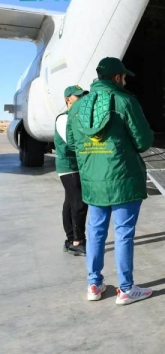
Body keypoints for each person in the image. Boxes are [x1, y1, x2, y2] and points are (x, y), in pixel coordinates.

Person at [67, 57, 154, 305]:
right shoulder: (125, 101)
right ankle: (125, 288)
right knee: (124, 233)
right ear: (117, 78)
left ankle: (94, 284)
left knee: (95, 232)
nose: (125, 81)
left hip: (93, 182)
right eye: (124, 77)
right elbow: (143, 141)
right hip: (123, 178)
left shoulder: (76, 108)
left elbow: (72, 144)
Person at [55, 85, 89, 256]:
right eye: (78, 97)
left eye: (83, 96)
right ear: (68, 100)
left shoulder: (76, 117)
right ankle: (78, 241)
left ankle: (70, 239)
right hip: (69, 166)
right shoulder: (63, 118)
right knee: (79, 203)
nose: (82, 99)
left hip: (75, 166)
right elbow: (72, 143)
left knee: (70, 203)